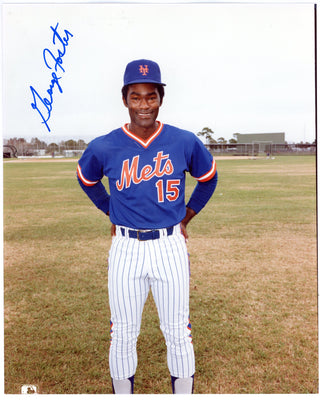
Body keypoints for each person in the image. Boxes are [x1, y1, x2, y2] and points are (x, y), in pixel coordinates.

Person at [77, 59, 218, 394]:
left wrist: (187, 215)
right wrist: (111, 210)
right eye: (136, 97)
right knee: (123, 331)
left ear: (160, 99)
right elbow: (87, 178)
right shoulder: (104, 145)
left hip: (169, 246)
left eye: (150, 96)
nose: (144, 105)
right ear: (125, 99)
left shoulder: (183, 141)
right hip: (125, 247)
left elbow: (208, 179)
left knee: (177, 331)